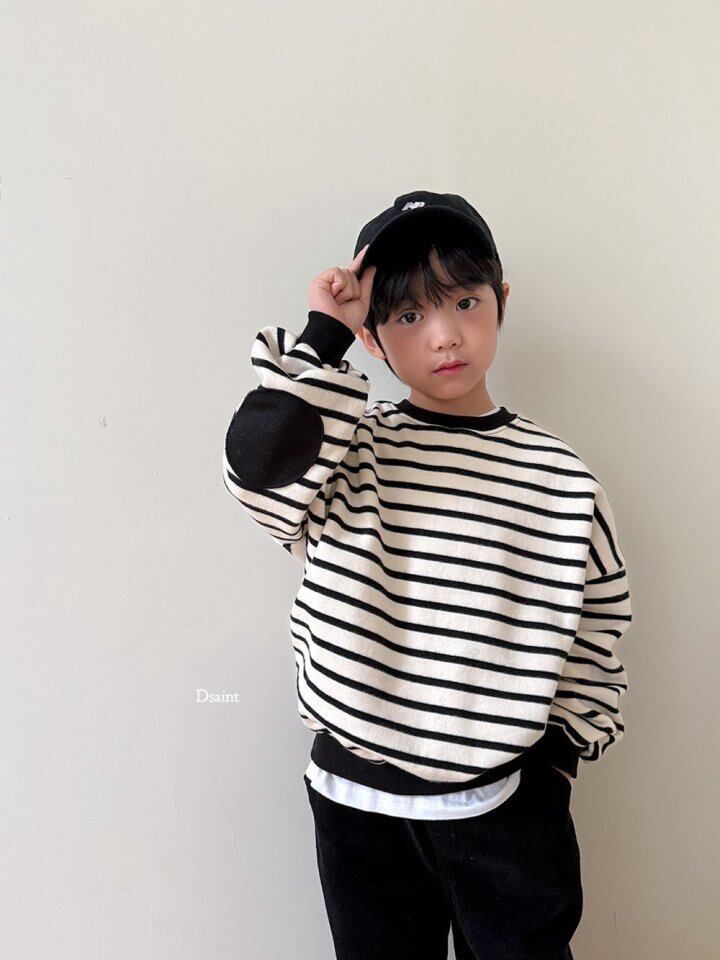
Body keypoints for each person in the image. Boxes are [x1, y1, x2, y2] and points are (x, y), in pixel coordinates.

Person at [222, 190, 633, 959]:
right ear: (373, 338)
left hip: (506, 805)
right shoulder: (345, 452)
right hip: (356, 803)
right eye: (409, 315)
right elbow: (259, 473)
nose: (444, 335)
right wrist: (323, 334)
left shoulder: (560, 480)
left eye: (466, 302)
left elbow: (598, 627)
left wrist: (556, 762)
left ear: (501, 301)